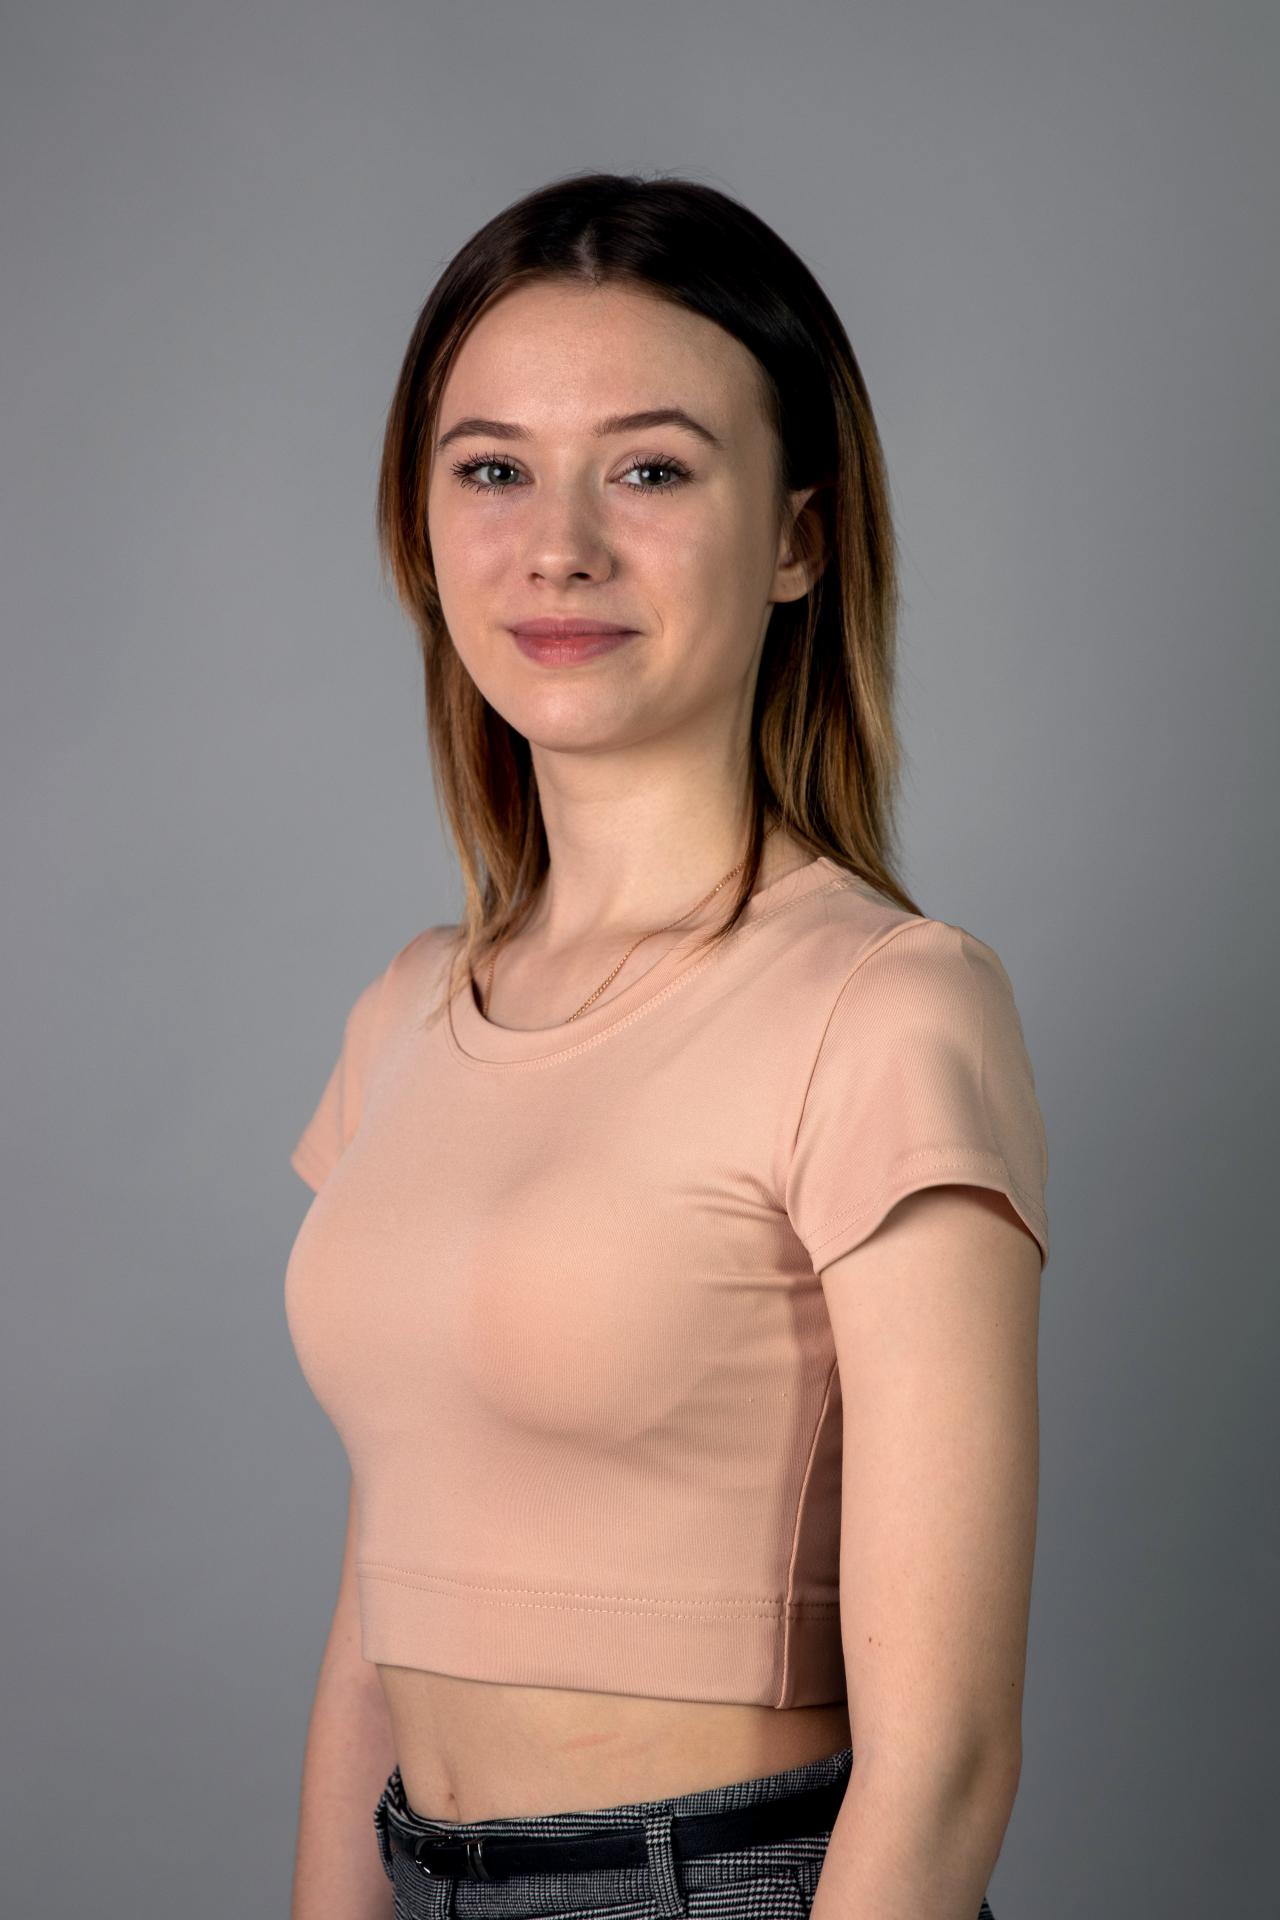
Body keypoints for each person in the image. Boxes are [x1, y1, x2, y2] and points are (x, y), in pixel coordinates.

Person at [284, 170, 1048, 1920]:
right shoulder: (405, 1014)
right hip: (419, 1871)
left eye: (650, 470)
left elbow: (945, 1762)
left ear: (797, 538)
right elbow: (384, 1600)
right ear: (422, 525)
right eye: (492, 470)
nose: (557, 544)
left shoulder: (887, 1006)